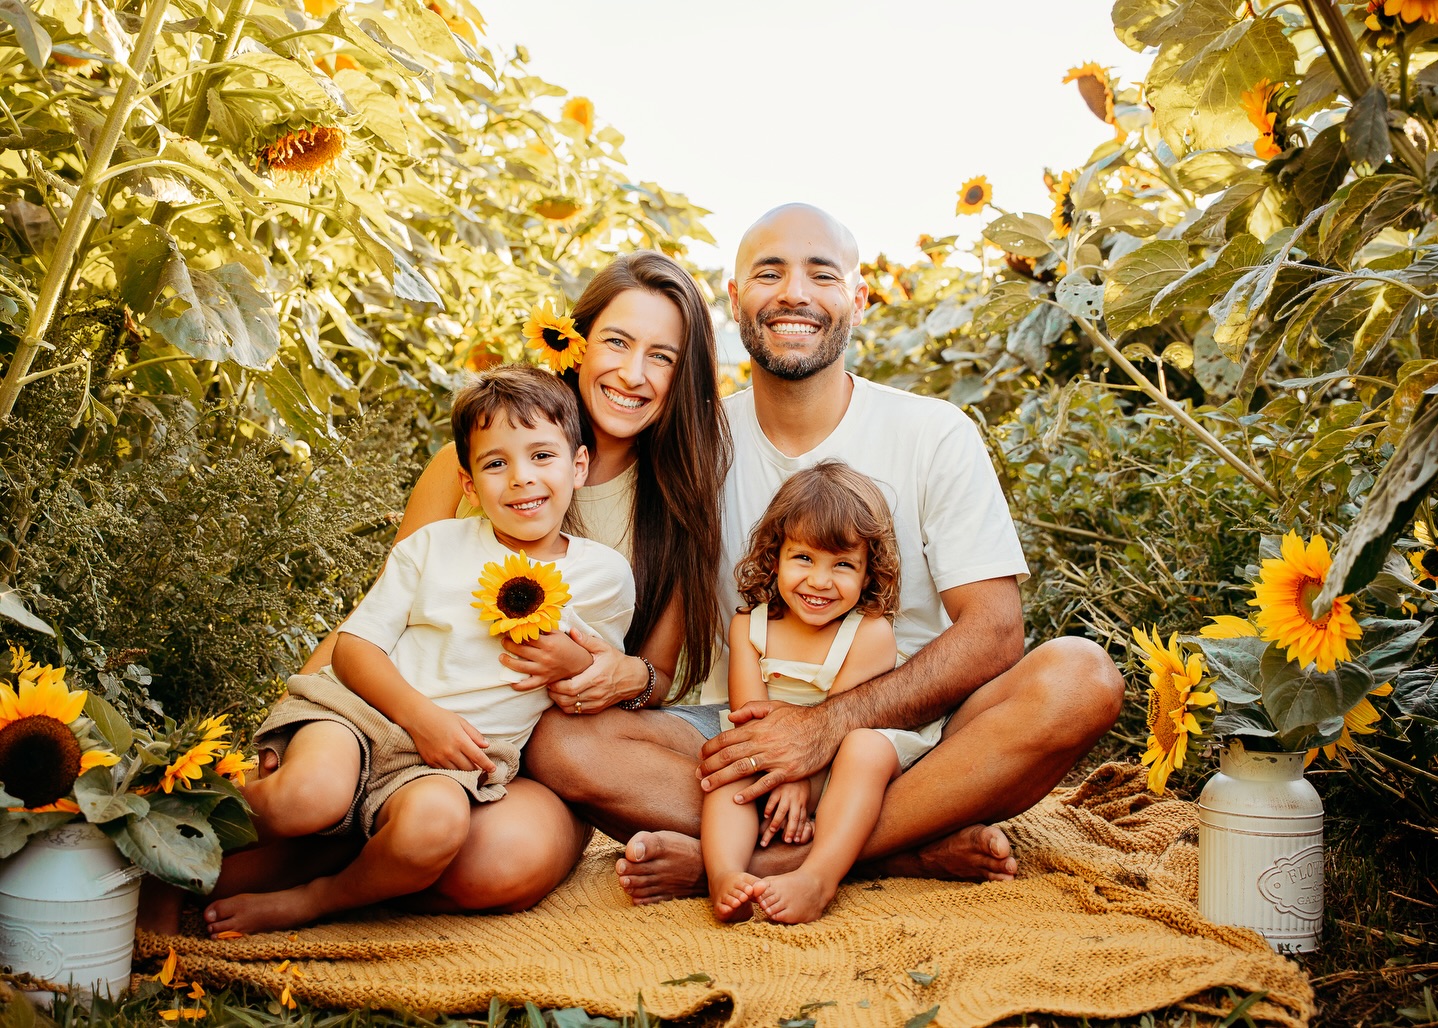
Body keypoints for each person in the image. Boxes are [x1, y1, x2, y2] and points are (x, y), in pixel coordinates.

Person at [523, 203, 1126, 904]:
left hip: (920, 740)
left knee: (1081, 675)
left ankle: (774, 862)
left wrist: (825, 728)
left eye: (822, 274)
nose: (794, 294)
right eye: (769, 273)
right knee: (561, 744)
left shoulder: (934, 433)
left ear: (859, 299)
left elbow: (995, 630)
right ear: (734, 298)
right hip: (739, 732)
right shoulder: (694, 442)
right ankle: (897, 848)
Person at [216, 250, 732, 921]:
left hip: (503, 756)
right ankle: (304, 838)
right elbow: (377, 615)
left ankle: (344, 870)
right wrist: (280, 726)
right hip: (388, 711)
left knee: (501, 866)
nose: (634, 373)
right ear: (576, 345)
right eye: (616, 342)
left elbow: (659, 675)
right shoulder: (478, 459)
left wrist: (618, 675)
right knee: (304, 798)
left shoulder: (678, 501)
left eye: (662, 356)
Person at [203, 366, 633, 935]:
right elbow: (355, 649)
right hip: (364, 714)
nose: (521, 478)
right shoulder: (436, 546)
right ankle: (178, 828)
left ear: (578, 465)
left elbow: (597, 673)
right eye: (496, 463)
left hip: (452, 766)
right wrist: (420, 716)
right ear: (468, 483)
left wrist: (572, 664)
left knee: (434, 829)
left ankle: (317, 900)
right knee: (307, 796)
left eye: (541, 456)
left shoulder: (603, 574)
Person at [706, 460, 938, 925]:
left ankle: (818, 877)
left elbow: (840, 724)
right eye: (804, 558)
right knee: (729, 765)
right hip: (775, 754)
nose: (820, 581)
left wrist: (800, 778)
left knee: (864, 749)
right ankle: (725, 875)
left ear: (870, 572)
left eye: (844, 565)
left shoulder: (870, 634)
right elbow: (751, 718)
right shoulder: (748, 627)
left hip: (844, 760)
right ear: (774, 557)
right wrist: (784, 774)